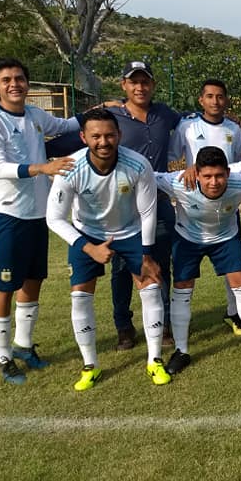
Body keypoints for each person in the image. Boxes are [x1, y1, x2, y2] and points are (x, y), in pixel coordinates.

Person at [46, 61, 181, 351]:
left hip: (154, 201)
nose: (140, 87)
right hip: (115, 208)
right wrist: (40, 159)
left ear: (153, 85)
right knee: (119, 270)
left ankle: (164, 325)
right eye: (134, 82)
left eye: (145, 81)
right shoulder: (111, 118)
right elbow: (71, 140)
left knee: (156, 266)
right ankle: (124, 326)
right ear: (124, 86)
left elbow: (192, 121)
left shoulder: (164, 114)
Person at [0, 57, 80, 384]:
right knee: (5, 284)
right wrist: (41, 168)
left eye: (19, 78)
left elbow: (63, 127)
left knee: (33, 281)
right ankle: (4, 356)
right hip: (8, 214)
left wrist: (102, 111)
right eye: (6, 80)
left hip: (38, 213)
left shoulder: (34, 114)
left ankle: (23, 346)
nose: (14, 84)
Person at [46, 108, 169, 390]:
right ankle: (90, 366)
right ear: (83, 137)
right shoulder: (71, 168)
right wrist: (89, 248)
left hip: (131, 232)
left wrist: (147, 254)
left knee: (150, 287)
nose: (104, 142)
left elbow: (148, 212)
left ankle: (154, 360)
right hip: (86, 233)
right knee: (80, 298)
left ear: (119, 136)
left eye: (110, 135)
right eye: (96, 136)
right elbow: (53, 218)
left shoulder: (138, 165)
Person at [154, 145, 241, 370]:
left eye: (219, 176)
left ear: (228, 172)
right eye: (207, 176)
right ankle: (181, 350)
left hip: (226, 238)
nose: (213, 182)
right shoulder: (178, 181)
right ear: (196, 173)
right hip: (187, 238)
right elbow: (143, 174)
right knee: (182, 288)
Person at [169, 79, 241, 337]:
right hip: (193, 202)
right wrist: (187, 170)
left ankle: (234, 313)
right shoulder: (187, 126)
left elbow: (233, 165)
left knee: (232, 264)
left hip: (223, 201)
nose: (215, 101)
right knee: (183, 270)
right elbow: (171, 157)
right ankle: (180, 321)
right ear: (201, 100)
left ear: (226, 100)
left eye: (220, 96)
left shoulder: (234, 129)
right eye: (210, 96)